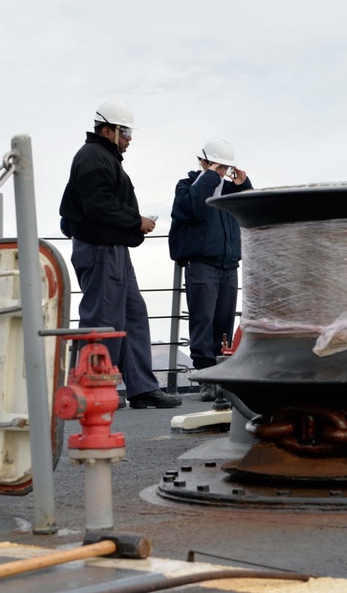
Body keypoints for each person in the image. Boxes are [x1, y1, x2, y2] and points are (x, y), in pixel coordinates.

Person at [59, 101, 181, 409]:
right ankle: (95, 391)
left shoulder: (101, 157)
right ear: (107, 130)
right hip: (100, 248)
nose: (129, 138)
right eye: (125, 131)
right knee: (104, 318)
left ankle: (141, 388)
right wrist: (137, 221)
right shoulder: (94, 158)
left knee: (133, 315)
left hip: (112, 249)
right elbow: (97, 204)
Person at [168, 137, 252, 401]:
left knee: (224, 321)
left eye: (225, 168)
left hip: (228, 264)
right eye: (219, 167)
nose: (222, 173)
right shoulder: (187, 185)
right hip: (201, 263)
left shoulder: (227, 190)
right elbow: (191, 209)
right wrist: (209, 176)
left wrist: (243, 186)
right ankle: (206, 377)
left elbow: (249, 209)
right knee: (202, 320)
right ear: (203, 162)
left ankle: (221, 378)